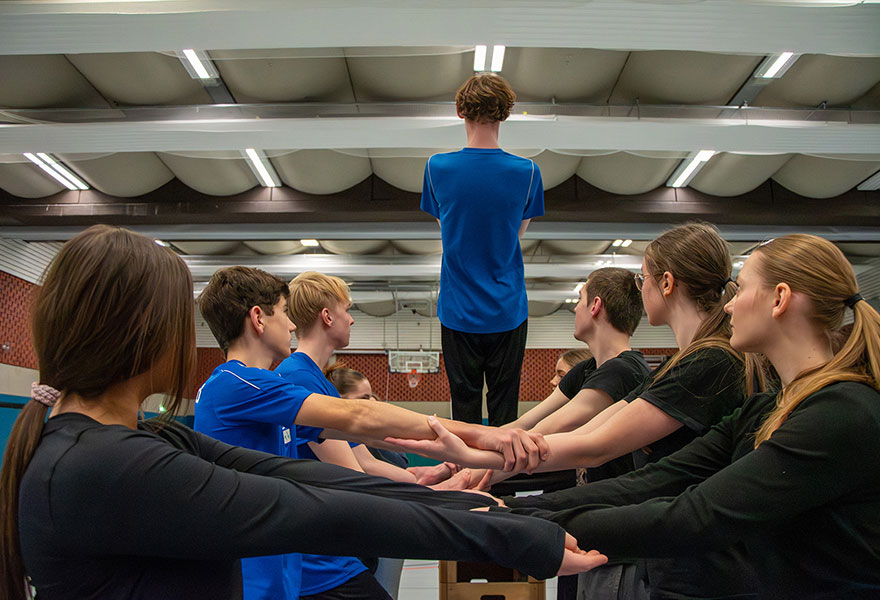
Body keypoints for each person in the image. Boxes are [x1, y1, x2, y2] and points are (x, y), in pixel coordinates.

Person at [0, 225, 608, 600]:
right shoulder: (103, 465)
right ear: (143, 336)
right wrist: (508, 536)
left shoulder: (144, 438)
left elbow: (303, 477)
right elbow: (312, 510)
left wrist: (466, 502)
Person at [390, 225, 762, 600]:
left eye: (643, 278)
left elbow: (595, 446)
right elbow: (563, 433)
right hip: (663, 551)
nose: (640, 287)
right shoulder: (675, 366)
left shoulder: (705, 363)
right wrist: (464, 465)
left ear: (666, 283)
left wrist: (483, 474)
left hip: (683, 559)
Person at [501, 233, 880, 599]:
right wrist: (508, 509)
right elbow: (647, 482)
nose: (729, 304)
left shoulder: (840, 414)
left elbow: (692, 515)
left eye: (743, 288)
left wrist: (509, 522)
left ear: (779, 299)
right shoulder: (765, 411)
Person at [193, 266, 549, 600]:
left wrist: (457, 463)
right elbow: (361, 424)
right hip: (260, 575)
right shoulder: (240, 384)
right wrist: (480, 443)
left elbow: (370, 439)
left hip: (282, 569)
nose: (290, 325)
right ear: (258, 318)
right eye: (284, 313)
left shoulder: (265, 387)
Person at [422, 73, 544, 427]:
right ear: (504, 114)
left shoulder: (436, 168)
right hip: (508, 308)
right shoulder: (529, 172)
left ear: (460, 111)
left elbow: (448, 230)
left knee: (464, 408)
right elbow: (515, 235)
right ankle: (503, 481)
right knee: (506, 408)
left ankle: (465, 480)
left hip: (458, 309)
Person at [326, 365, 409, 600]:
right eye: (364, 399)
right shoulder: (341, 435)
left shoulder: (372, 438)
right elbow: (367, 469)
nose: (372, 403)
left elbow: (398, 470)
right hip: (355, 537)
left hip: (379, 530)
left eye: (372, 397)